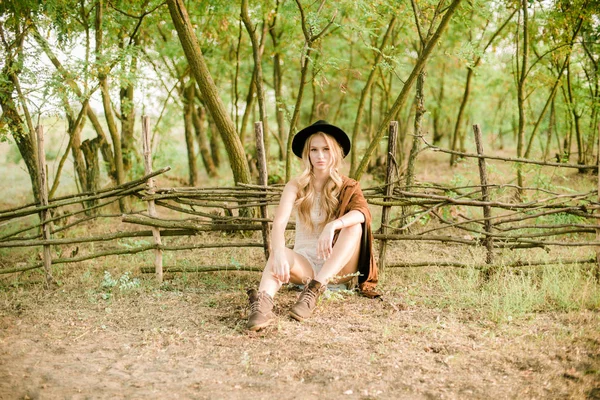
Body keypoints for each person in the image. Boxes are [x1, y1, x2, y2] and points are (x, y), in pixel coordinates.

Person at [246, 120, 379, 331]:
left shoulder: (347, 185)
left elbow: (363, 214)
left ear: (335, 152)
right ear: (307, 154)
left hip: (339, 266)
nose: (320, 156)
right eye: (314, 150)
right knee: (277, 254)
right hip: (305, 264)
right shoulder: (296, 185)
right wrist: (279, 252)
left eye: (326, 149)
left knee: (353, 226)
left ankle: (314, 290)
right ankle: (261, 308)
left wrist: (332, 226)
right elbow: (279, 224)